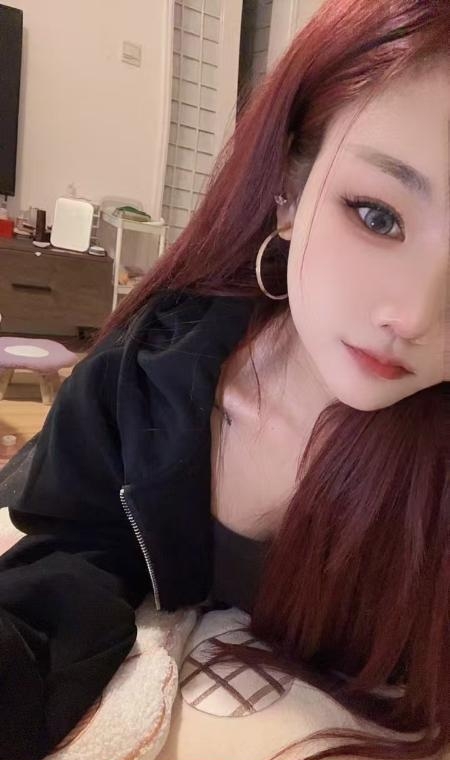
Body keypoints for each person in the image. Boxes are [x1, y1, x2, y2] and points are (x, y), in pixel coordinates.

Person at [0, 0, 448, 759]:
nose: (413, 316)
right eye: (377, 215)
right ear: (290, 190)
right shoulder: (154, 363)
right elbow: (71, 553)